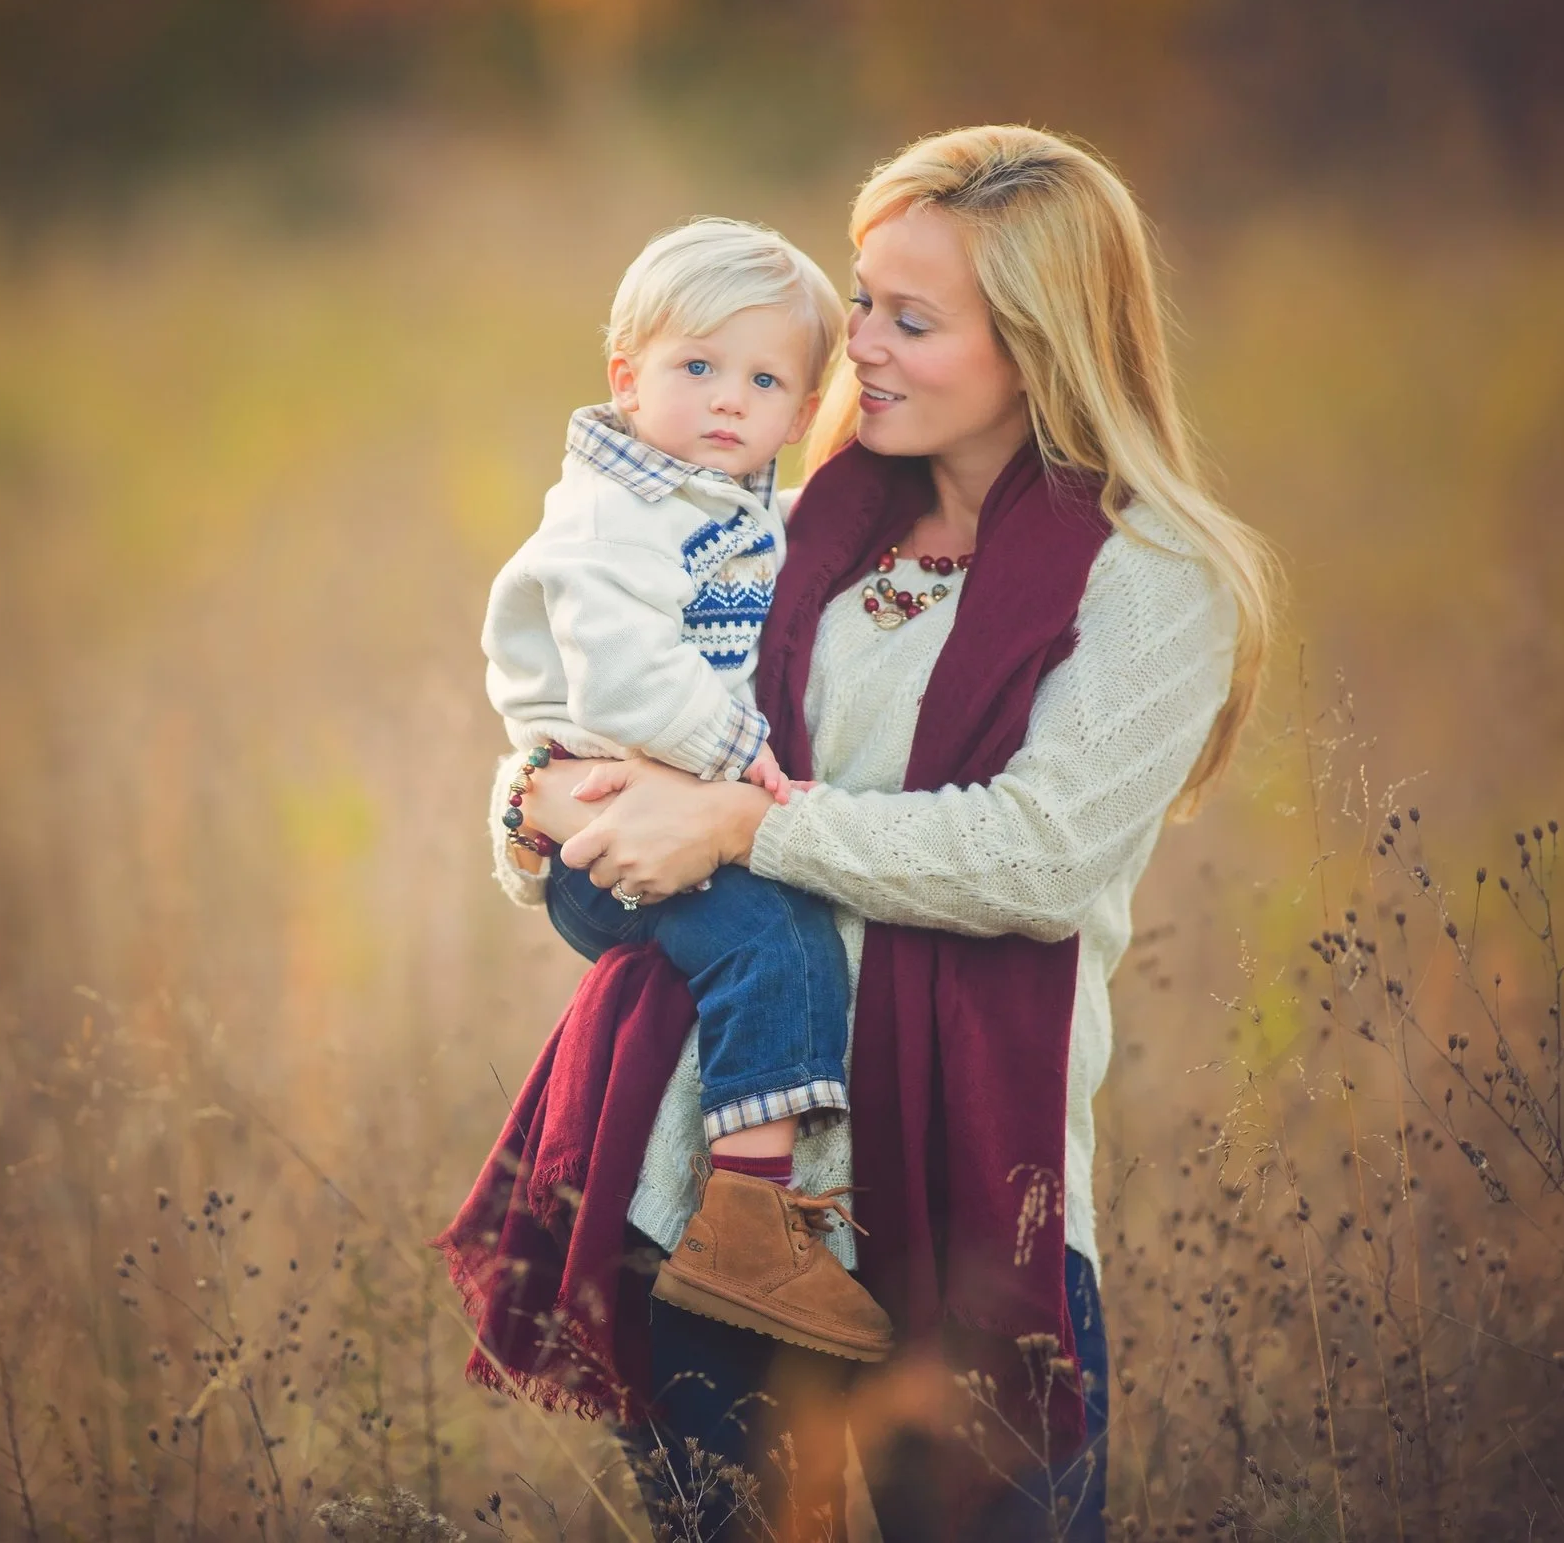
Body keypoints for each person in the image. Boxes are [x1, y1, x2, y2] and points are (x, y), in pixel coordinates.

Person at [492, 127, 1278, 1540]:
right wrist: (533, 799)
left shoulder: (1156, 582)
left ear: (1038, 346)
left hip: (973, 1190)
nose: (859, 345)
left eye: (913, 320)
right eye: (863, 301)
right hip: (713, 1177)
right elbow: (592, 683)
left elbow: (1037, 858)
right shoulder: (785, 526)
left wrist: (742, 821)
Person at [480, 217, 893, 1361]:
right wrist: (736, 759)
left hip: (630, 810)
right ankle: (753, 1222)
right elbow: (618, 670)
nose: (727, 399)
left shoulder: (742, 503)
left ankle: (756, 1211)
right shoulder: (616, 508)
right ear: (627, 377)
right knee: (774, 933)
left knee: (777, 932)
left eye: (764, 379)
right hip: (607, 819)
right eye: (696, 367)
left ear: (806, 404)